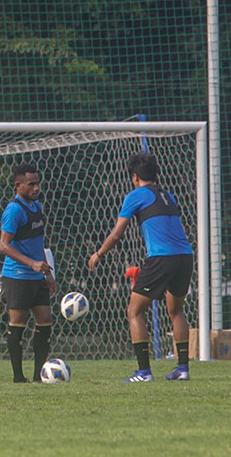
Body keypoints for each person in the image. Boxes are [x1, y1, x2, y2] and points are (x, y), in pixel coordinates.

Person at [88, 153, 193, 382]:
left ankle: (144, 372)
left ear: (134, 177)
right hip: (185, 256)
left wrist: (98, 253)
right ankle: (182, 368)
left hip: (161, 258)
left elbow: (117, 234)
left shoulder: (135, 195)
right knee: (176, 311)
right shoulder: (168, 195)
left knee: (134, 311)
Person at [0, 163, 58, 383]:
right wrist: (31, 264)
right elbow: (4, 245)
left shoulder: (37, 206)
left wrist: (48, 273)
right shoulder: (14, 210)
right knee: (18, 322)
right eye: (31, 184)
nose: (36, 188)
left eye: (37, 183)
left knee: (45, 320)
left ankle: (38, 376)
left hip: (37, 275)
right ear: (18, 185)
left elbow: (38, 242)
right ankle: (18, 377)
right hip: (18, 276)